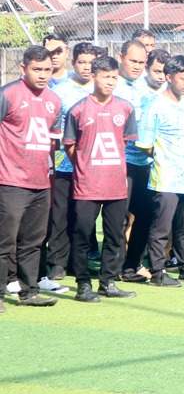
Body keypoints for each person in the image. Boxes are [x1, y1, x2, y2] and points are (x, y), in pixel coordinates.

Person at [63, 56, 138, 301]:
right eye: (106, 76)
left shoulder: (126, 108)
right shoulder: (78, 109)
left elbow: (125, 142)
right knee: (83, 234)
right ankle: (83, 283)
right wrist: (86, 166)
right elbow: (71, 147)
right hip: (87, 185)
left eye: (114, 77)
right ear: (94, 76)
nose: (110, 82)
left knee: (115, 235)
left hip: (116, 184)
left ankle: (108, 282)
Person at [0, 46, 63, 309]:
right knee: (5, 240)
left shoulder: (54, 100)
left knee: (34, 241)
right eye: (37, 69)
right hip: (11, 181)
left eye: (47, 70)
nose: (42, 75)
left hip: (41, 182)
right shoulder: (8, 94)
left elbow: (54, 141)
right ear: (22, 68)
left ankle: (29, 290)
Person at [136, 55, 184, 287]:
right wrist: (165, 159)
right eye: (183, 79)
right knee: (161, 228)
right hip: (165, 179)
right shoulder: (155, 105)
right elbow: (145, 144)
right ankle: (157, 271)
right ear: (168, 77)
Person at [44, 42, 98, 290]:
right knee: (60, 215)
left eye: (91, 62)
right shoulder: (61, 91)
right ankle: (56, 263)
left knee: (84, 218)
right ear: (73, 63)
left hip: (93, 167)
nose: (87, 67)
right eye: (83, 62)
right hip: (65, 164)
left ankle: (80, 263)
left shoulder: (101, 92)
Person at [117, 40, 155, 283]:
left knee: (145, 215)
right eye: (133, 61)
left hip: (145, 162)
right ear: (121, 57)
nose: (137, 66)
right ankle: (114, 265)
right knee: (118, 217)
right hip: (119, 163)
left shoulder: (149, 90)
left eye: (142, 62)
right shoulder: (112, 85)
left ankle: (132, 264)